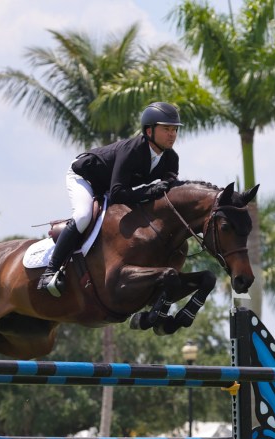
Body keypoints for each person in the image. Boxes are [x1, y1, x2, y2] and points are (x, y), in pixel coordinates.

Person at [37, 102, 182, 296]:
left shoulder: (171, 159)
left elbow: (168, 192)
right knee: (83, 215)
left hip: (109, 186)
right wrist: (149, 191)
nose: (172, 135)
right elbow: (117, 194)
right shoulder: (132, 151)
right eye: (166, 129)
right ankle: (50, 271)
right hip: (85, 177)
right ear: (149, 131)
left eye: (174, 130)